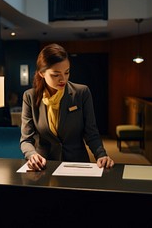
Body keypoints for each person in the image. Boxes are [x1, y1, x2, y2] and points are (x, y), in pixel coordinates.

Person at [20, 43, 114, 171]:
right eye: (56, 74)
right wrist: (32, 155)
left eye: (67, 72)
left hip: (76, 163)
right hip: (44, 165)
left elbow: (91, 133)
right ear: (42, 73)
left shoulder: (81, 93)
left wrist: (101, 154)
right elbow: (26, 139)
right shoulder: (30, 97)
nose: (63, 79)